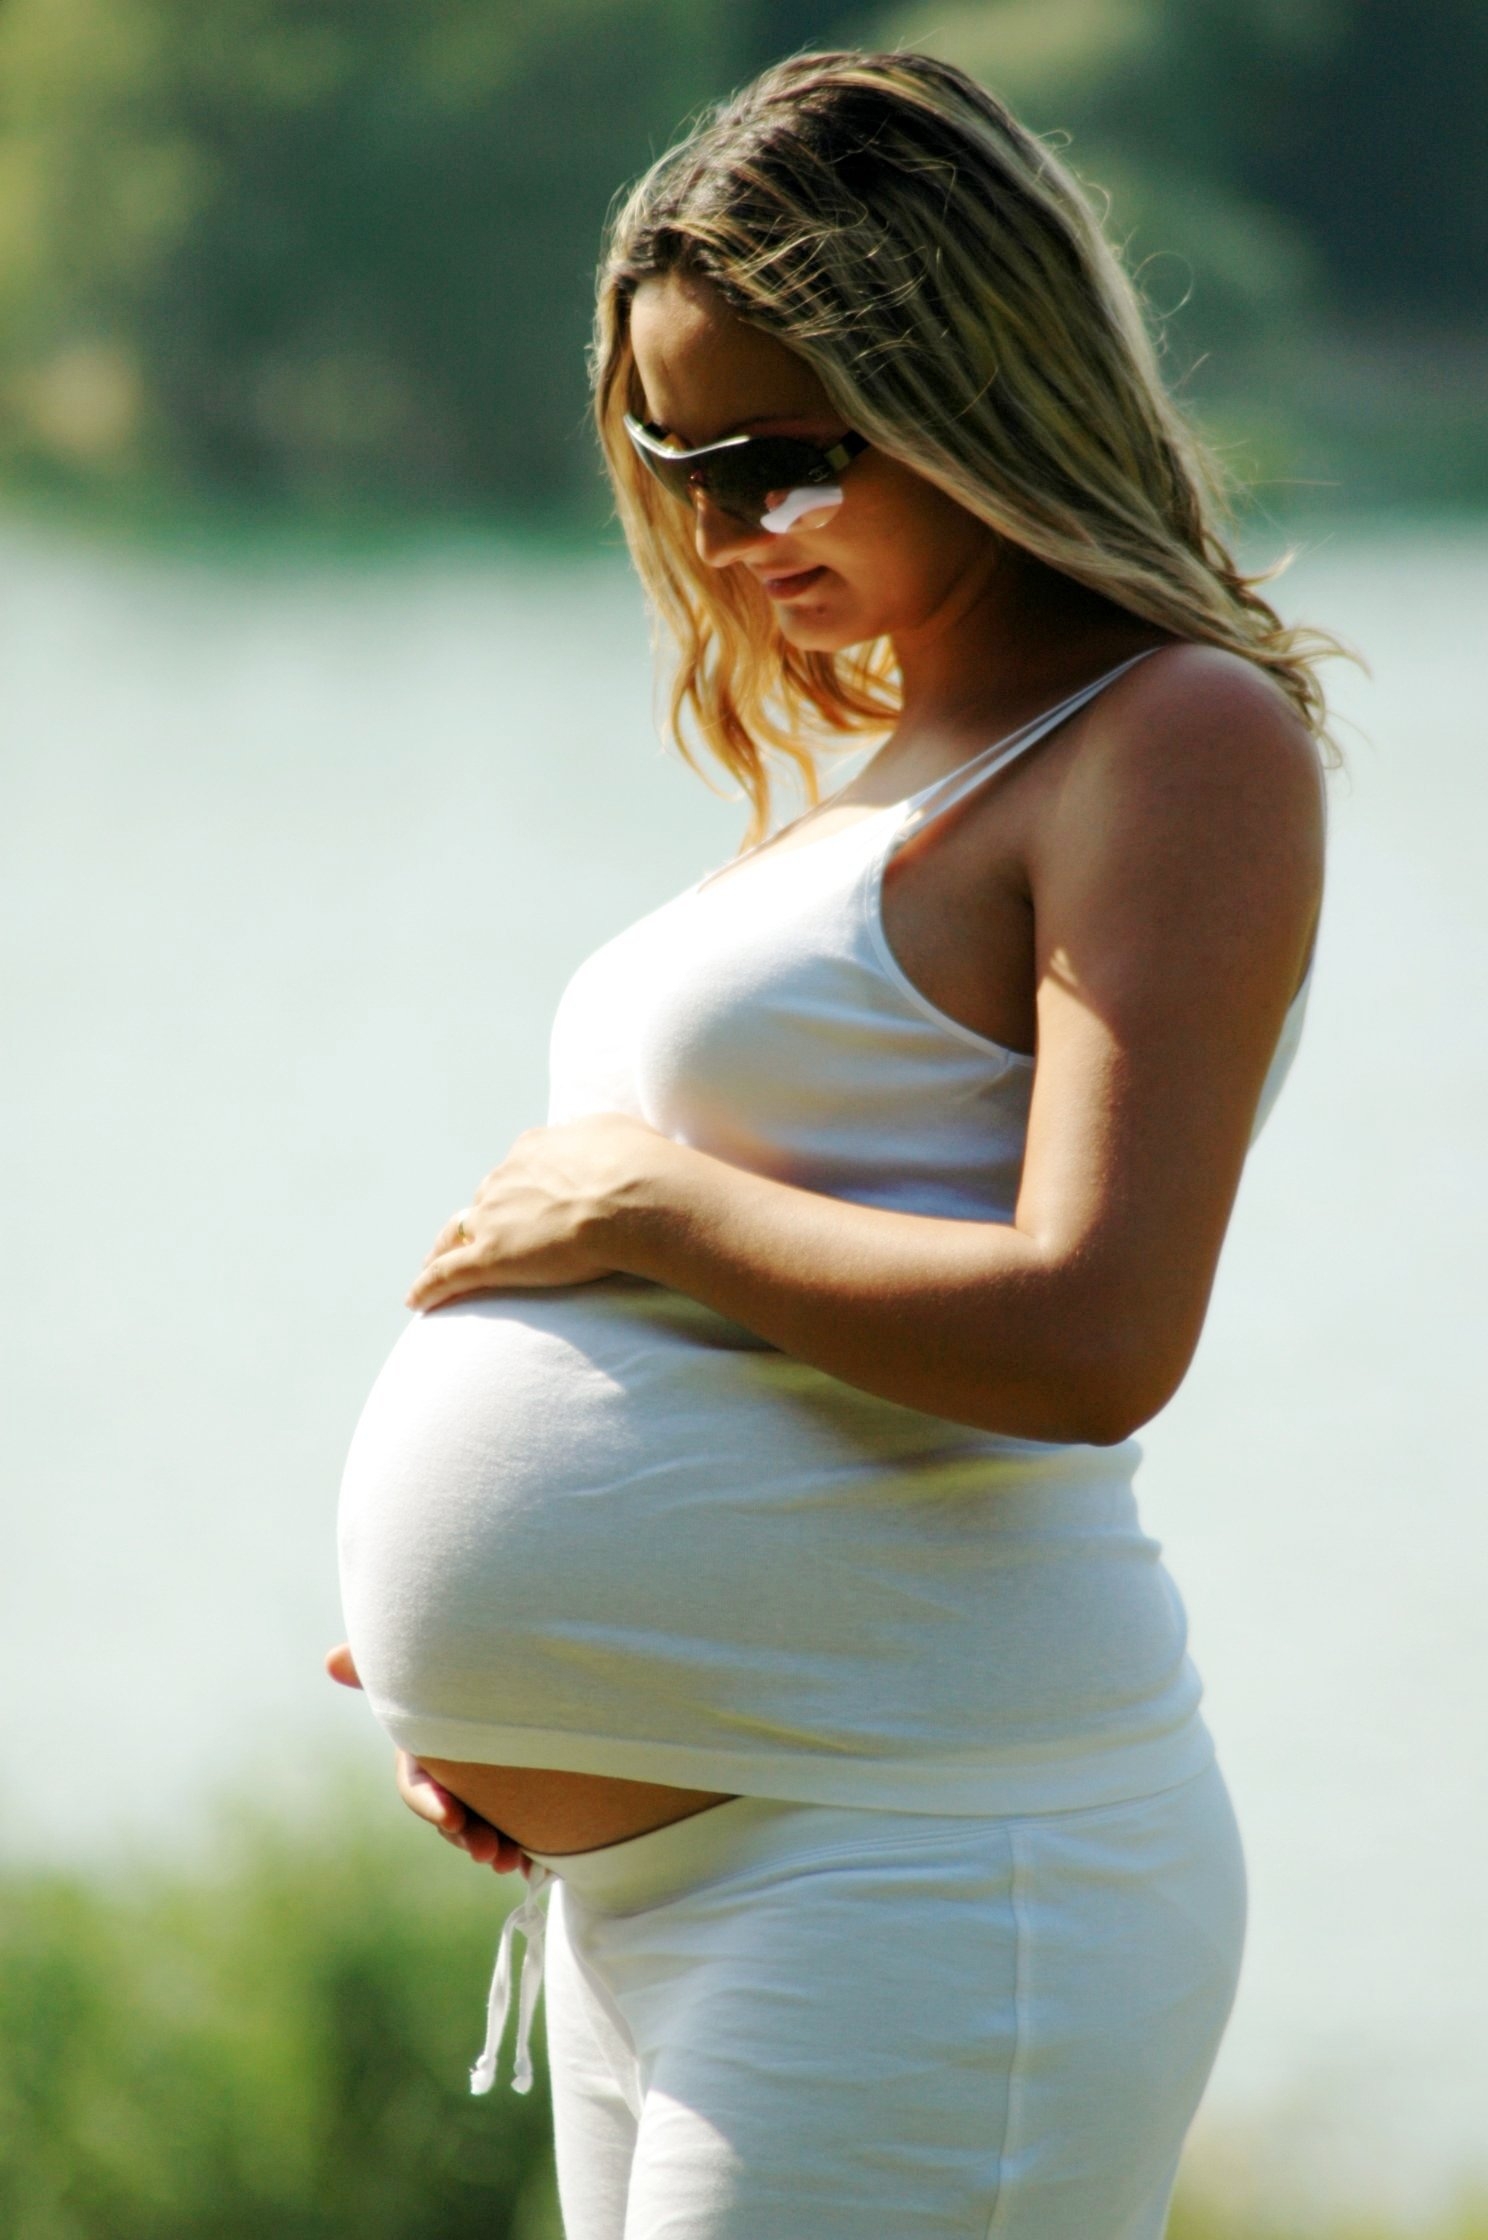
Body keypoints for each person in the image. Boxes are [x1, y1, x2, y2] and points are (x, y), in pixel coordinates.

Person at [326, 49, 1339, 2240]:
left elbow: (1097, 1330)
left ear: (972, 376)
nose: (721, 527)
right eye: (678, 460)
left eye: (782, 457)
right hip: (669, 1886)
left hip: (926, 1867)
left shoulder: (1173, 738)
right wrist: (506, 1689)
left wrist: (647, 1202)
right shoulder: (899, 773)